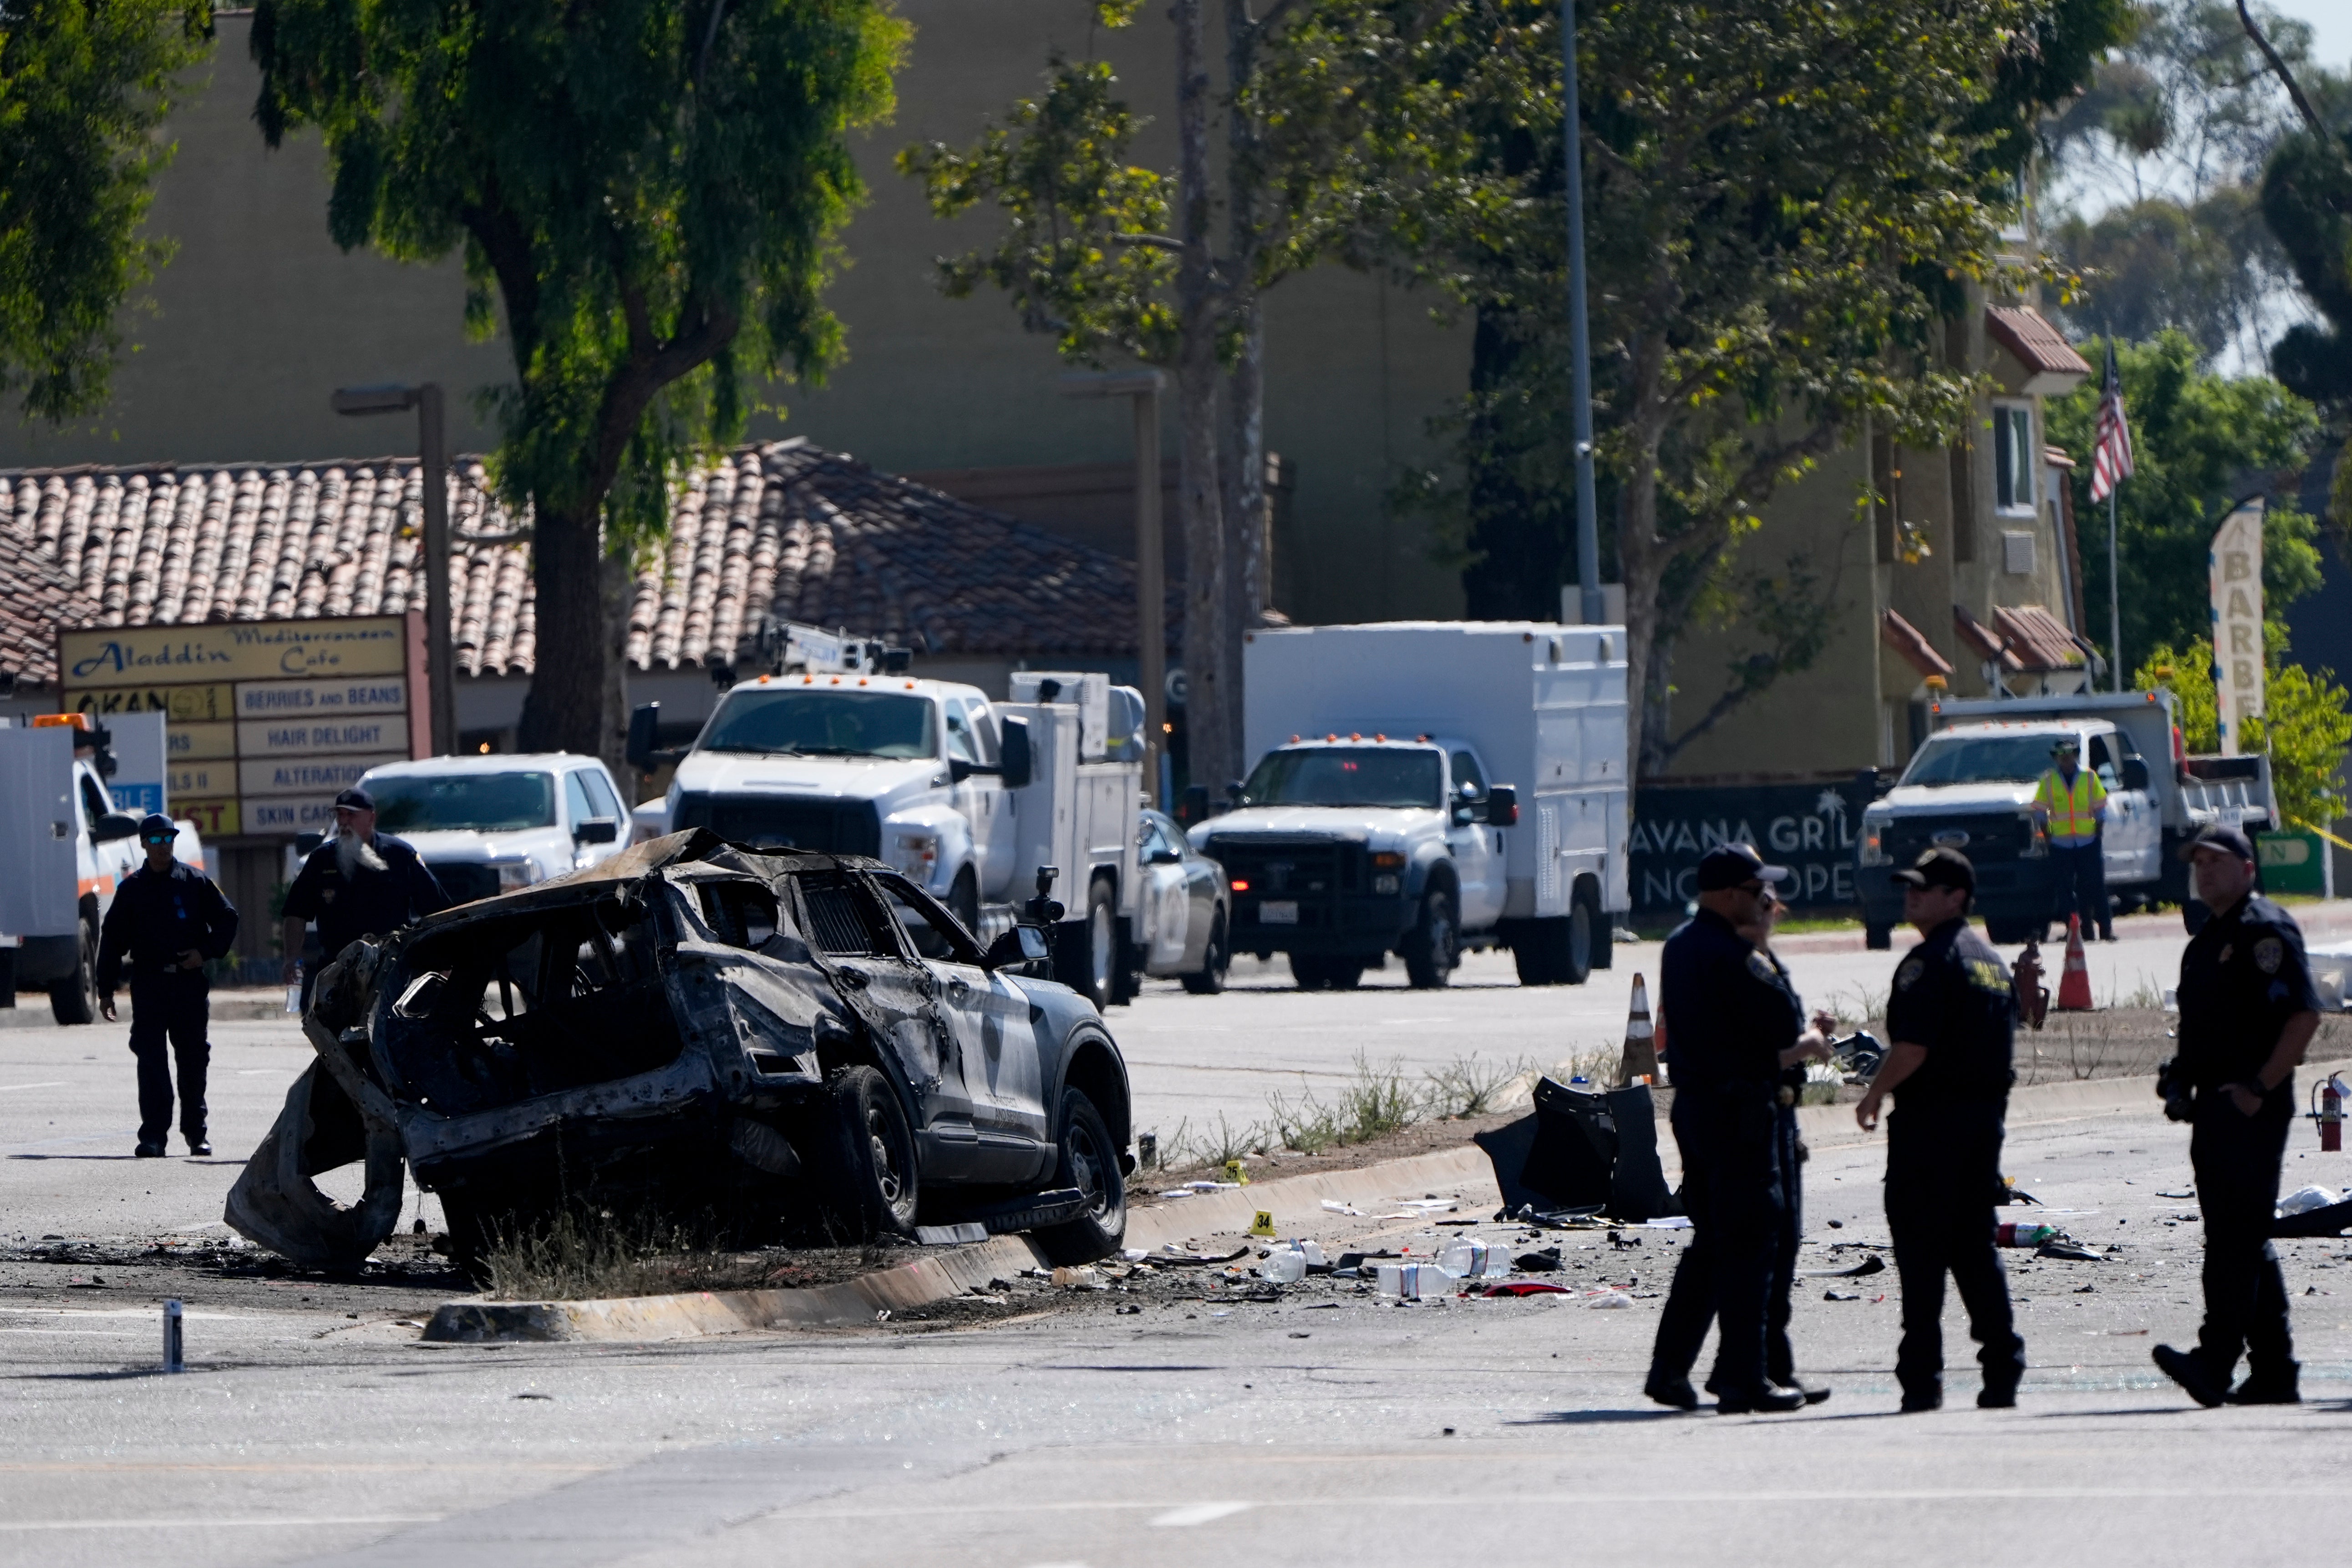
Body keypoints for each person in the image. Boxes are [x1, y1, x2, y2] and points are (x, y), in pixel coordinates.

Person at [1646, 843, 1833, 1415]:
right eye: (1757, 893)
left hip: (1701, 1111)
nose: (1768, 903)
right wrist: (1805, 1043)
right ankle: (1743, 1378)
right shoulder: (1733, 953)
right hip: (1740, 1115)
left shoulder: (1681, 945)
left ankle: (1675, 1369)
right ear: (1728, 896)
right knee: (1753, 1243)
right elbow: (1778, 1023)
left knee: (1714, 1244)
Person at [2151, 823, 2320, 1406]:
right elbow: (2200, 1031)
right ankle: (2275, 1371)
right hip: (2214, 1110)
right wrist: (2178, 1076)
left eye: (2216, 862)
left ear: (2247, 869)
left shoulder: (2263, 930)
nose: (2204, 872)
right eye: (2198, 864)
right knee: (2245, 1239)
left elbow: (2303, 1016)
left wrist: (2257, 1086)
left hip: (2252, 1106)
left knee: (2231, 1242)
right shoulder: (2205, 940)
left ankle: (2214, 1362)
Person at [1854, 847, 2025, 1412]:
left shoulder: (1928, 961)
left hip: (1930, 1130)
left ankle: (1922, 1378)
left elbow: (1913, 1047)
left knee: (1921, 1253)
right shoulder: (1991, 963)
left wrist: (1875, 1090)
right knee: (1975, 1249)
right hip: (1982, 1128)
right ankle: (2002, 1366)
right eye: (1909, 886)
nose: (1911, 895)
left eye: (1924, 888)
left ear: (1956, 897)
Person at [94, 814, 239, 1158]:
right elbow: (112, 940)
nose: (163, 847)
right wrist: (105, 990)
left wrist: (204, 953)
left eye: (168, 840)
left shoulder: (194, 882)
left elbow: (227, 918)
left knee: (193, 1061)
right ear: (144, 844)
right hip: (149, 984)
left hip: (188, 984)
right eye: (156, 841)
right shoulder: (132, 889)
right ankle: (154, 1136)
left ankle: (196, 1133)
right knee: (151, 1061)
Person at [280, 787, 450, 1007]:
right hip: (336, 968)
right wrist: (291, 958)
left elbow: (436, 909)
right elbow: (296, 912)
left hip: (391, 968)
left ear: (371, 818)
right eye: (340, 815)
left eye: (351, 815)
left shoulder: (400, 856)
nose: (344, 822)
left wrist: (444, 962)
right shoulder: (321, 860)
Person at [2031, 737, 2110, 940]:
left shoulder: (2089, 777)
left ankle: (2106, 931)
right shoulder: (2048, 781)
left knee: (2095, 887)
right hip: (2061, 844)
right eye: (2061, 756)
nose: (2066, 759)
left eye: (2069, 755)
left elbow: (2101, 807)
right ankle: (2076, 931)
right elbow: (2040, 811)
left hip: (2088, 842)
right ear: (2056, 758)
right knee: (2065, 891)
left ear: (2076, 755)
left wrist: (2097, 834)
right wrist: (2048, 837)